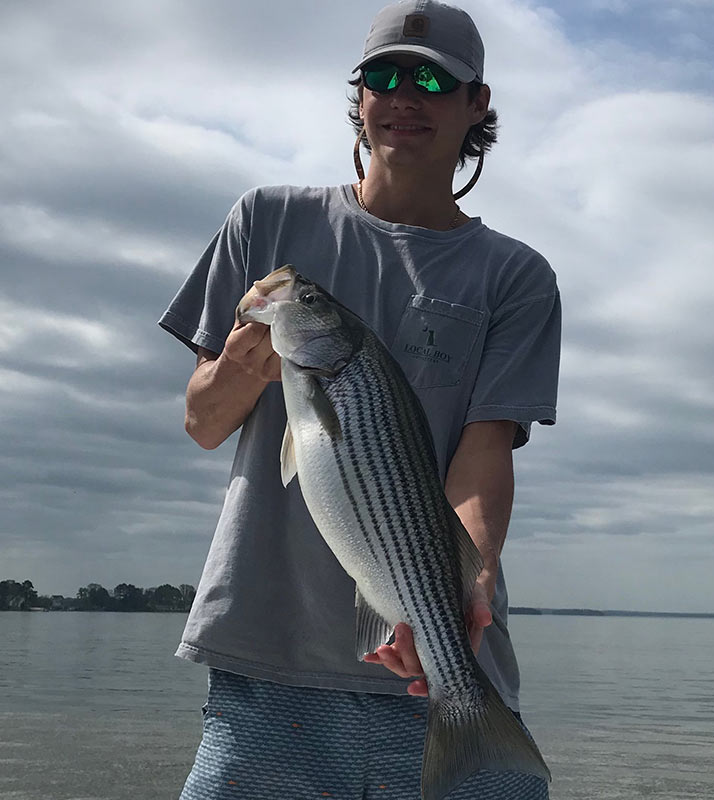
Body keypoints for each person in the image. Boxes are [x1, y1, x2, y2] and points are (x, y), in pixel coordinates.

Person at [159, 1, 560, 798]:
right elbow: (203, 422)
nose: (404, 96)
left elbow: (482, 457)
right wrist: (246, 362)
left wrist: (467, 585)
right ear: (360, 94)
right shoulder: (265, 219)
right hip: (267, 667)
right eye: (383, 75)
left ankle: (474, 723)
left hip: (444, 656)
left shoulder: (516, 277)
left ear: (476, 103)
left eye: (433, 79)